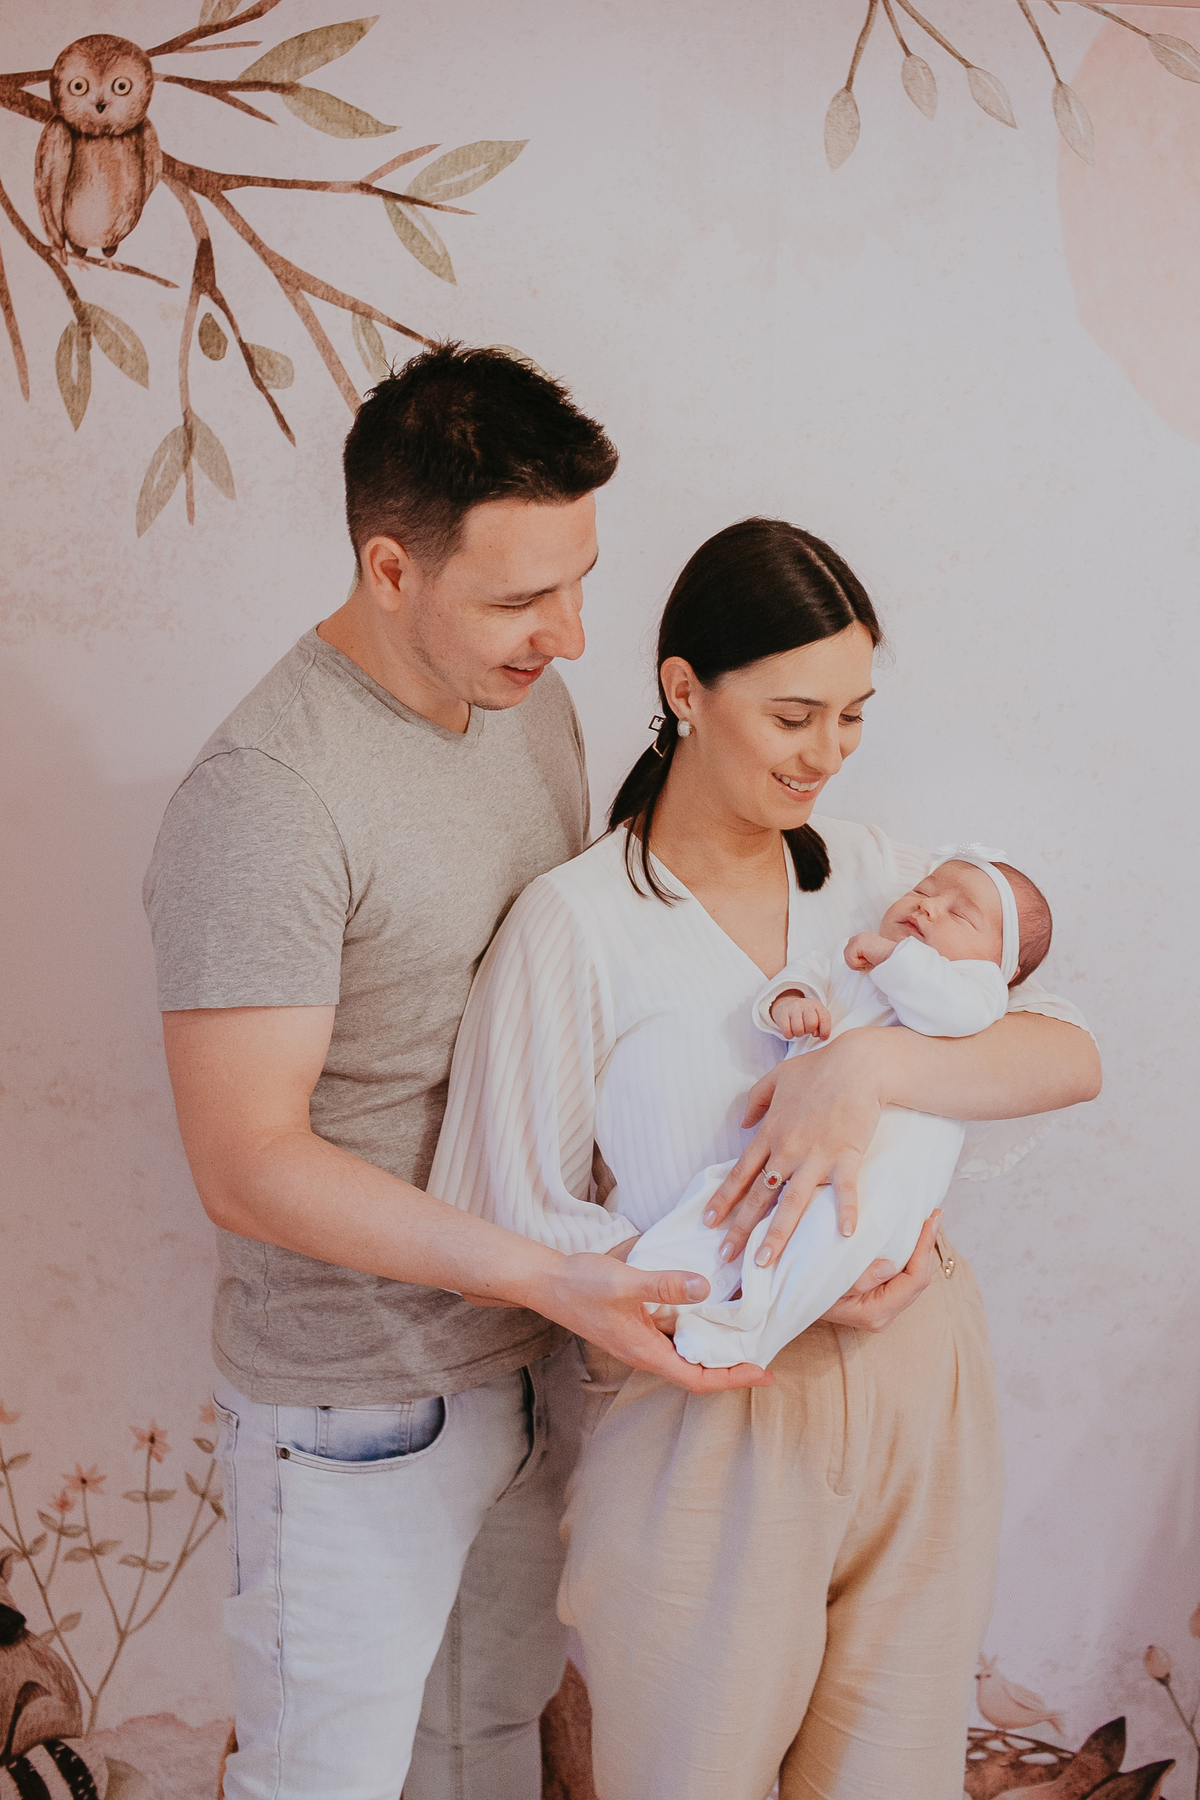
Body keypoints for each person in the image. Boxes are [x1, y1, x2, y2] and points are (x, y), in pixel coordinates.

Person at [142, 352, 924, 1800]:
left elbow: (597, 1007)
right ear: (389, 566)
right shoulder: (267, 799)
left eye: (578, 583)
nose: (567, 636)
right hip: (358, 1408)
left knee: (493, 1748)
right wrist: (539, 1271)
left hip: (536, 1366)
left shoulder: (524, 706)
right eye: (517, 601)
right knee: (332, 1780)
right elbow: (243, 1160)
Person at [429, 516, 1101, 1799]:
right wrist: (737, 1284)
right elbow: (496, 1222)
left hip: (920, 1375)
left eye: (853, 716)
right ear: (685, 690)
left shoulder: (885, 880)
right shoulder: (576, 927)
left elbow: (1067, 1052)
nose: (829, 755)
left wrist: (865, 1070)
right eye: (797, 716)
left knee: (892, 1772)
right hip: (709, 1420)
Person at [626, 850, 1055, 1368]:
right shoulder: (849, 958)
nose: (928, 908)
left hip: (874, 1180)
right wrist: (792, 1000)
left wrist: (891, 958)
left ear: (1002, 967)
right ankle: (659, 1283)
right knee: (719, 1200)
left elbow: (949, 1009)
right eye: (923, 890)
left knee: (817, 1245)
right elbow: (804, 975)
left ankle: (745, 1332)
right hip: (792, 1146)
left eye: (960, 914)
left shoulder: (977, 989)